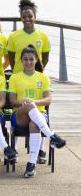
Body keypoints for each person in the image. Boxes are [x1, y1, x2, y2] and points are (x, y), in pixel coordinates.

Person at [8, 46, 66, 178]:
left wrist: (34, 102)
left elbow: (48, 99)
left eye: (31, 59)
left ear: (36, 60)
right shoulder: (14, 78)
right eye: (25, 59)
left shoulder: (43, 77)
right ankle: (52, 137)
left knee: (34, 124)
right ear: (21, 61)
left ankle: (31, 164)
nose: (28, 62)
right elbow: (12, 101)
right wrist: (26, 103)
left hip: (38, 116)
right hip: (20, 116)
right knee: (29, 106)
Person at [7, 0, 50, 74]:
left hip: (35, 78)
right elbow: (11, 58)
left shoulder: (43, 36)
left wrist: (39, 71)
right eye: (24, 17)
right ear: (21, 18)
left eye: (30, 16)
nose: (27, 19)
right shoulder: (13, 36)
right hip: (18, 77)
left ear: (35, 17)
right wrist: (16, 72)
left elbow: (45, 58)